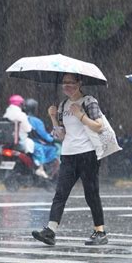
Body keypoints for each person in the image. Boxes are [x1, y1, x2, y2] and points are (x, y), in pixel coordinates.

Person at [32, 73, 108, 246]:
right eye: (64, 83)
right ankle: (50, 231)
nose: (66, 86)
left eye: (71, 83)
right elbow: (61, 135)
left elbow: (99, 125)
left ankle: (100, 231)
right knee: (60, 193)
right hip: (68, 154)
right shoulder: (63, 105)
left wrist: (80, 115)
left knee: (91, 193)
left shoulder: (89, 101)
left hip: (88, 154)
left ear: (79, 83)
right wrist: (52, 116)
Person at [24, 98, 58, 178]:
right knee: (52, 149)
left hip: (24, 141)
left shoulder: (22, 119)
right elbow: (44, 135)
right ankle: (41, 168)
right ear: (34, 109)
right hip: (34, 142)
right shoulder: (36, 121)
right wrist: (52, 139)